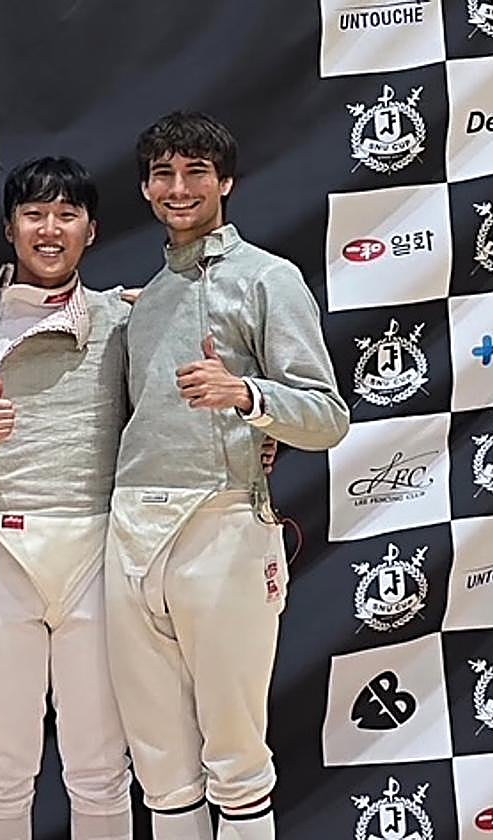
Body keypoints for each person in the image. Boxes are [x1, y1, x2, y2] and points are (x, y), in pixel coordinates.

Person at [104, 112, 349, 840]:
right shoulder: (145, 300)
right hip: (130, 529)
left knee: (236, 755)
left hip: (223, 525)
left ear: (226, 182)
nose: (179, 189)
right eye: (164, 174)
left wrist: (247, 395)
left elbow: (328, 417)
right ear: (146, 189)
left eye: (196, 173)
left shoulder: (268, 278)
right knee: (159, 762)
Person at [0, 157, 133, 840]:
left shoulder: (121, 319)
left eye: (66, 214)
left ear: (91, 230)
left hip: (98, 558)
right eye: (35, 214)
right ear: (11, 227)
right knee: (1, 763)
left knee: (101, 764)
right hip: (0, 554)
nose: (50, 229)